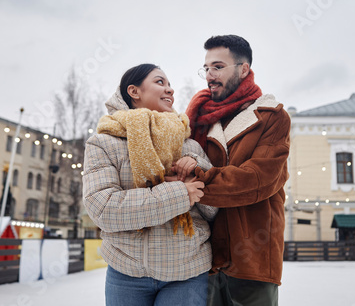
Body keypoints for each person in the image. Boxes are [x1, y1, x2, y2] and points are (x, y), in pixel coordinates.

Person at [82, 63, 217, 306]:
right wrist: (179, 193)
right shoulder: (103, 143)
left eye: (169, 84)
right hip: (126, 273)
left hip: (187, 273)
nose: (170, 90)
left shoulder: (191, 147)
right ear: (134, 91)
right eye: (160, 82)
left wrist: (199, 170)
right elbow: (103, 209)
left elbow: (212, 209)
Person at [184, 35, 291, 306]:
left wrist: (196, 180)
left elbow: (256, 180)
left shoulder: (271, 116)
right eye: (206, 68)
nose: (209, 75)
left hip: (252, 256)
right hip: (204, 256)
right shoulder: (198, 118)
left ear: (243, 69)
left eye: (218, 67)